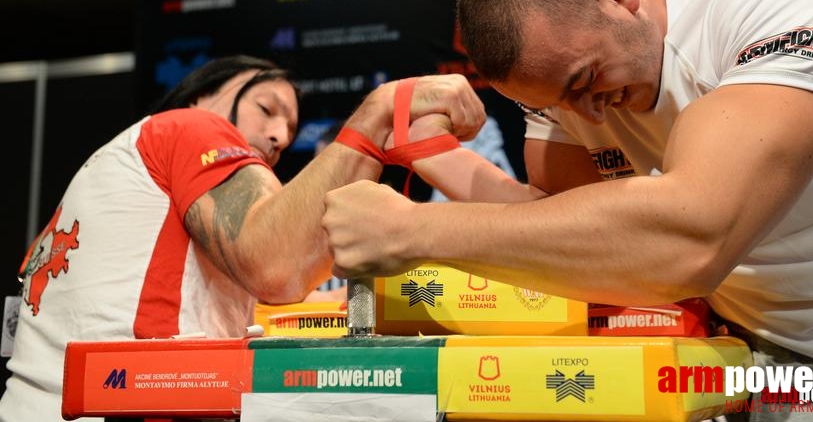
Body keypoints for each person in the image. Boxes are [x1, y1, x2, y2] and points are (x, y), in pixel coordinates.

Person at [322, 0, 813, 418]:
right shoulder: (565, 73)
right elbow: (568, 233)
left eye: (584, 82)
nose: (590, 116)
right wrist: (435, 154)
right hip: (735, 354)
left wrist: (412, 231)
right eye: (556, 105)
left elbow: (694, 238)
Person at [0, 55, 483, 422]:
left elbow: (293, 292)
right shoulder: (190, 127)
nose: (279, 136)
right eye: (266, 108)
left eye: (290, 129)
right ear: (202, 95)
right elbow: (277, 265)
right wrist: (379, 111)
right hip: (115, 409)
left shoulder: (126, 175)